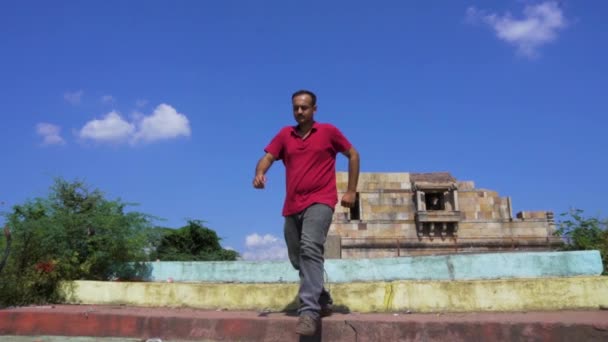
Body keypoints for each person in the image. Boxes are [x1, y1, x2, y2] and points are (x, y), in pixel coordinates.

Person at [253, 89, 360, 336]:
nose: (299, 111)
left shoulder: (328, 132)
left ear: (314, 109)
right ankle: (320, 296)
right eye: (296, 108)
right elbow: (267, 158)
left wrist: (351, 190)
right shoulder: (285, 135)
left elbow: (353, 154)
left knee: (310, 247)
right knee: (296, 255)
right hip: (292, 205)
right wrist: (260, 173)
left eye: (304, 107)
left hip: (321, 200)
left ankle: (309, 311)